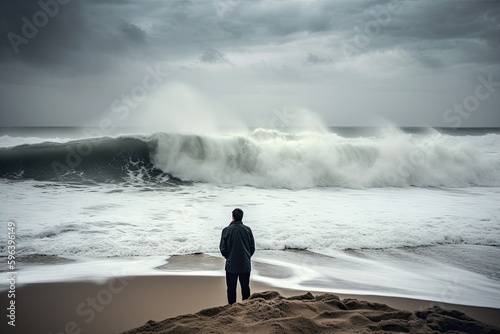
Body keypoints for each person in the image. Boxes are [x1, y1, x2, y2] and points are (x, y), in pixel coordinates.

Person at [219, 208, 255, 305]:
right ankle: (246, 307)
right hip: (245, 264)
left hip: (231, 265)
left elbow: (223, 249)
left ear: (233, 217)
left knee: (231, 288)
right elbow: (252, 248)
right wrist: (247, 257)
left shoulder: (226, 230)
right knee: (245, 287)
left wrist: (229, 257)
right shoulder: (248, 229)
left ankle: (232, 308)